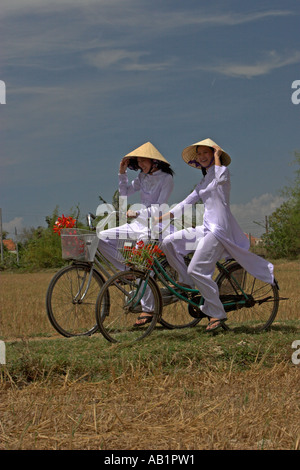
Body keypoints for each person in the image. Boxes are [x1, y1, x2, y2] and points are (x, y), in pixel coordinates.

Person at [158, 138, 274, 332]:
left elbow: (219, 180)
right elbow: (185, 203)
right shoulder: (203, 181)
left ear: (214, 154)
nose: (202, 157)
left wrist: (218, 156)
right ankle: (186, 281)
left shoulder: (222, 173)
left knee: (197, 269)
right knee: (168, 242)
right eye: (200, 154)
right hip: (206, 228)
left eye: (207, 153)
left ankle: (217, 314)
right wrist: (161, 217)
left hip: (219, 230)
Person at [98, 141, 175, 326]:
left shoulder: (166, 179)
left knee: (142, 263)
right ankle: (126, 271)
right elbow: (124, 195)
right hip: (138, 225)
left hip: (155, 227)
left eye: (143, 160)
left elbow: (159, 208)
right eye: (138, 161)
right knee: (100, 237)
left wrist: (138, 212)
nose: (140, 164)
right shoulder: (142, 177)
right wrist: (122, 173)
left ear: (154, 161)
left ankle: (148, 310)